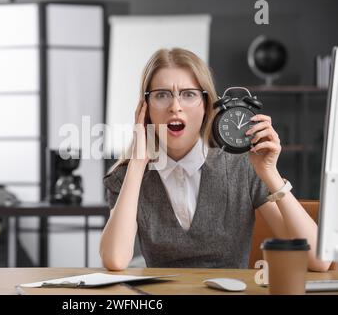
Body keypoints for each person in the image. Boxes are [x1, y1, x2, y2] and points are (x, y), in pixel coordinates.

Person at [99, 47, 331, 272]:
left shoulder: (243, 167)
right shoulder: (127, 176)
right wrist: (138, 164)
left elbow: (318, 261)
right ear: (145, 108)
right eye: (162, 95)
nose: (175, 107)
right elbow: (116, 259)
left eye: (188, 94)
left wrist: (270, 173)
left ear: (207, 105)